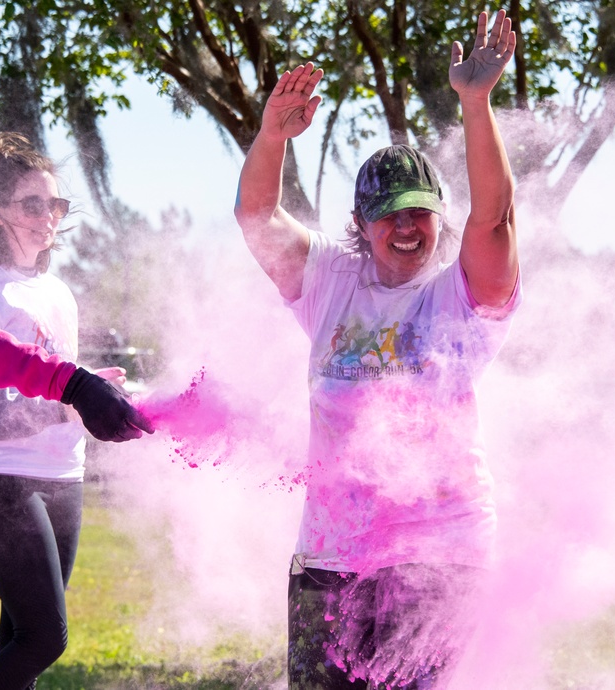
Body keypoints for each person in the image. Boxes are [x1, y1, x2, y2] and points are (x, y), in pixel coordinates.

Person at [235, 9, 519, 689]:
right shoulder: (332, 279)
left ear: (439, 216)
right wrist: (272, 136)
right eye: (389, 212)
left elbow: (496, 217)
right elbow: (257, 218)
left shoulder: (462, 297)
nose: (406, 225)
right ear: (360, 223)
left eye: (420, 210)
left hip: (438, 556)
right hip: (331, 556)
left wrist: (476, 105)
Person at [0, 132, 153, 690]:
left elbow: (64, 387)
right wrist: (64, 409)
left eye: (56, 204)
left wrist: (97, 393)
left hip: (63, 475)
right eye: (32, 203)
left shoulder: (59, 292)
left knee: (21, 642)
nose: (49, 217)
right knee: (46, 637)